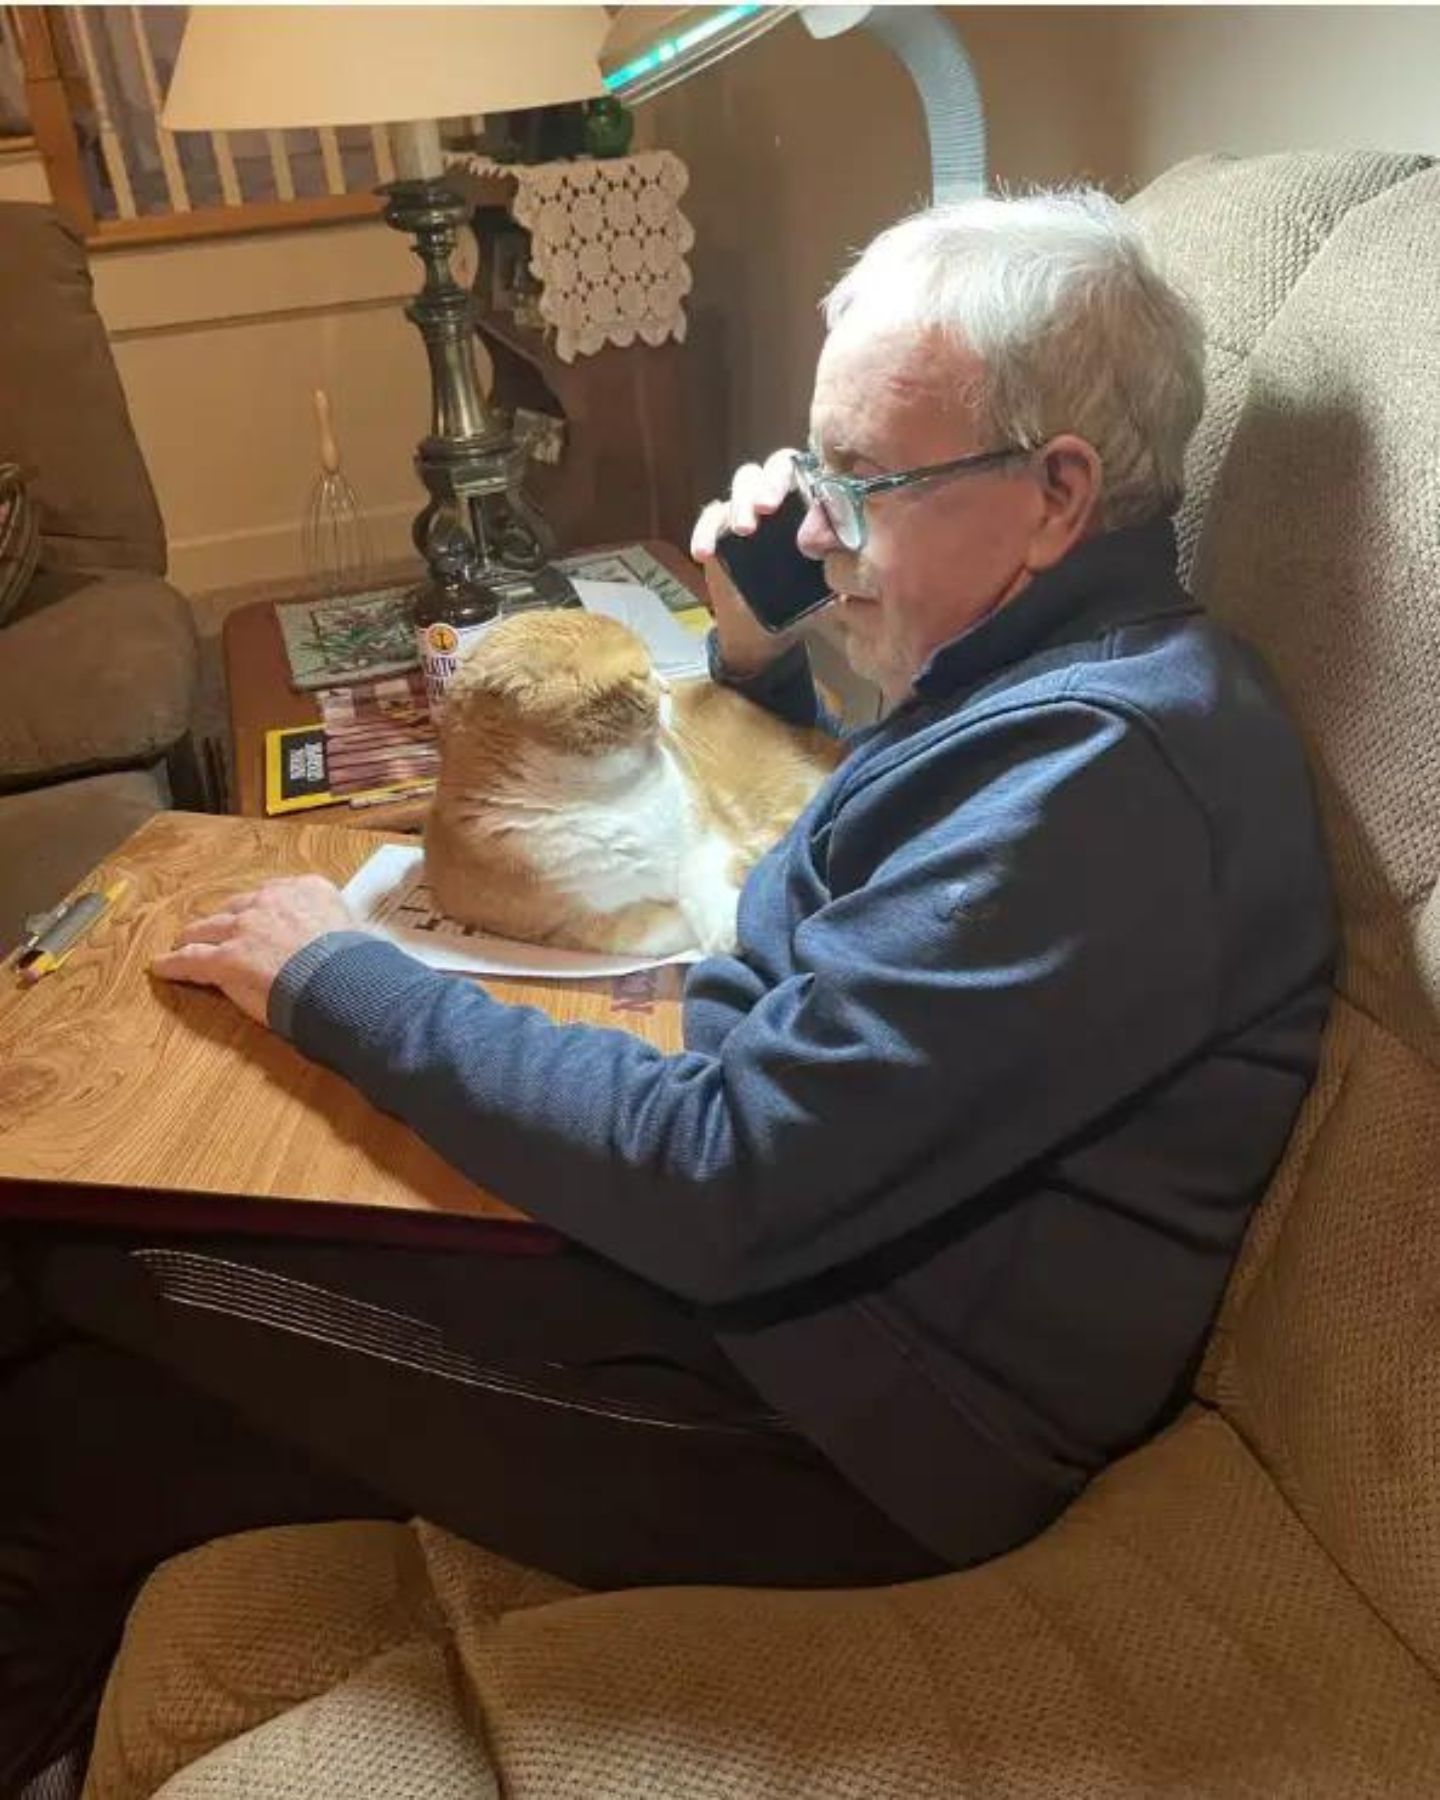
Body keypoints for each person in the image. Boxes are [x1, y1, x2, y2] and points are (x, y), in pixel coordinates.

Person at [1, 189, 1335, 1794]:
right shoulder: (1034, 687)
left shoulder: (1111, 774)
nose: (821, 518)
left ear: (1055, 495)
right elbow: (883, 882)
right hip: (787, 1305)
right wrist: (771, 645)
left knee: (80, 1245)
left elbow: (729, 1173)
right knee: (83, 1435)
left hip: (843, 1435)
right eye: (817, 467)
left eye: (866, 483)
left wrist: (337, 979)